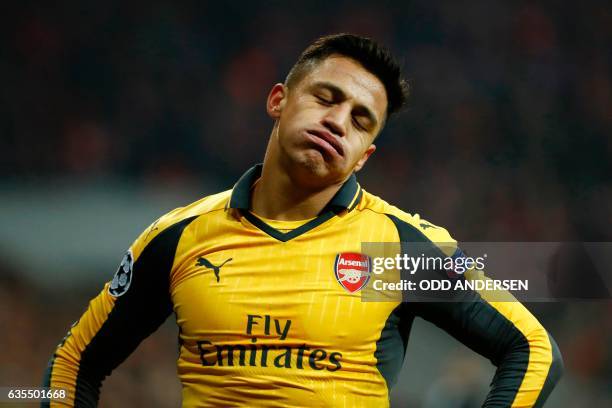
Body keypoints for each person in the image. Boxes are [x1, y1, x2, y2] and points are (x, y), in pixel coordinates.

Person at [43, 33, 563, 407]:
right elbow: (72, 366)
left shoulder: (397, 248)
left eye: (361, 120)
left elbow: (533, 350)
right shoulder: (180, 237)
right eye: (326, 97)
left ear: (364, 156)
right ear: (278, 100)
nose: (338, 122)